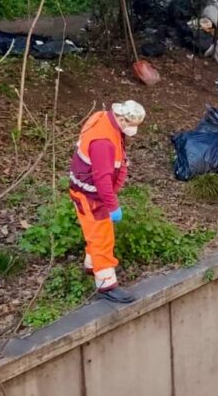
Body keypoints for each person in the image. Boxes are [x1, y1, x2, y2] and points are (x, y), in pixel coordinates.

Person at [68, 100, 146, 303]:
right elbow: (102, 179)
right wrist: (112, 206)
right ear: (120, 118)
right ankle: (106, 283)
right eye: (130, 124)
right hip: (92, 196)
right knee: (102, 237)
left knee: (94, 232)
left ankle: (91, 265)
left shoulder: (102, 118)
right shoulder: (103, 143)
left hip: (85, 190)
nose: (132, 129)